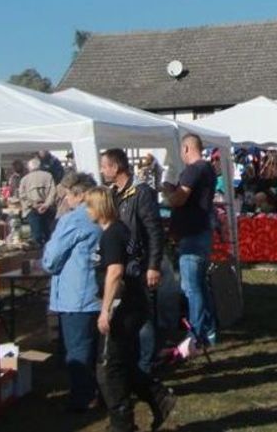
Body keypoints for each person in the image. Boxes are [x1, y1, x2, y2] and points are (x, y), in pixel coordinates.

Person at [86, 187, 175, 432]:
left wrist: (105, 310)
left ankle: (123, 423)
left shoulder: (112, 235)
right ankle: (158, 397)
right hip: (135, 304)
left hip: (123, 307)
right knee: (124, 362)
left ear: (100, 208)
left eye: (89, 206)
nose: (86, 212)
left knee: (108, 367)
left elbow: (115, 273)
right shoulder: (122, 230)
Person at [101, 149, 165, 375]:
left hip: (140, 262)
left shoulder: (141, 192)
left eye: (104, 166)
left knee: (144, 315)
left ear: (115, 167)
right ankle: (132, 360)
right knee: (128, 313)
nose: (101, 170)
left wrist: (153, 265)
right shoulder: (114, 194)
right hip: (122, 262)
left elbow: (154, 231)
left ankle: (146, 365)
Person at [41, 176, 102, 412]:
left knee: (77, 351)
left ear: (80, 195)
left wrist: (47, 256)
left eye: (68, 194)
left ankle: (83, 398)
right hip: (97, 291)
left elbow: (52, 258)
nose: (65, 199)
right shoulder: (103, 216)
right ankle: (100, 392)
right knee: (96, 349)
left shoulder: (73, 220)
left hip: (76, 294)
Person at [161, 133, 218, 348]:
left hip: (193, 235)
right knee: (201, 286)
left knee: (192, 288)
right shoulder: (208, 169)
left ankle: (196, 335)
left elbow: (180, 198)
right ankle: (208, 331)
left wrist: (168, 193)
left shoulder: (194, 170)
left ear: (186, 148)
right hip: (201, 231)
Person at [19, 157, 58, 244]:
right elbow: (53, 192)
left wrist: (32, 204)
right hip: (48, 209)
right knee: (50, 235)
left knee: (37, 235)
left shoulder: (24, 179)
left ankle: (38, 253)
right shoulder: (48, 176)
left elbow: (22, 196)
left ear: (29, 168)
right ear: (40, 166)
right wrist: (46, 204)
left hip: (32, 210)